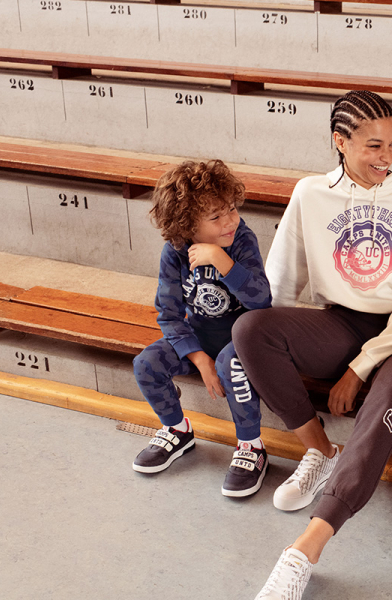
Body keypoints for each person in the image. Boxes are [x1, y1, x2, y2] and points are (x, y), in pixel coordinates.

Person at [232, 90, 392, 600]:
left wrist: (360, 366)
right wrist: (246, 353)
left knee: (380, 406)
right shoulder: (311, 194)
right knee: (249, 331)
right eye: (374, 146)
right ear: (340, 141)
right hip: (342, 323)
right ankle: (320, 449)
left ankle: (304, 550)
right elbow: (281, 280)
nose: (387, 156)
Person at [132, 159, 273, 498]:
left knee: (230, 365)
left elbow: (261, 300)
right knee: (146, 364)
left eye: (231, 209)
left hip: (243, 338)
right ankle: (177, 430)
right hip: (200, 337)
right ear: (187, 225)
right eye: (215, 217)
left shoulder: (240, 240)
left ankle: (252, 446)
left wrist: (221, 259)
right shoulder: (174, 252)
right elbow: (168, 315)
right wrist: (198, 358)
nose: (230, 221)